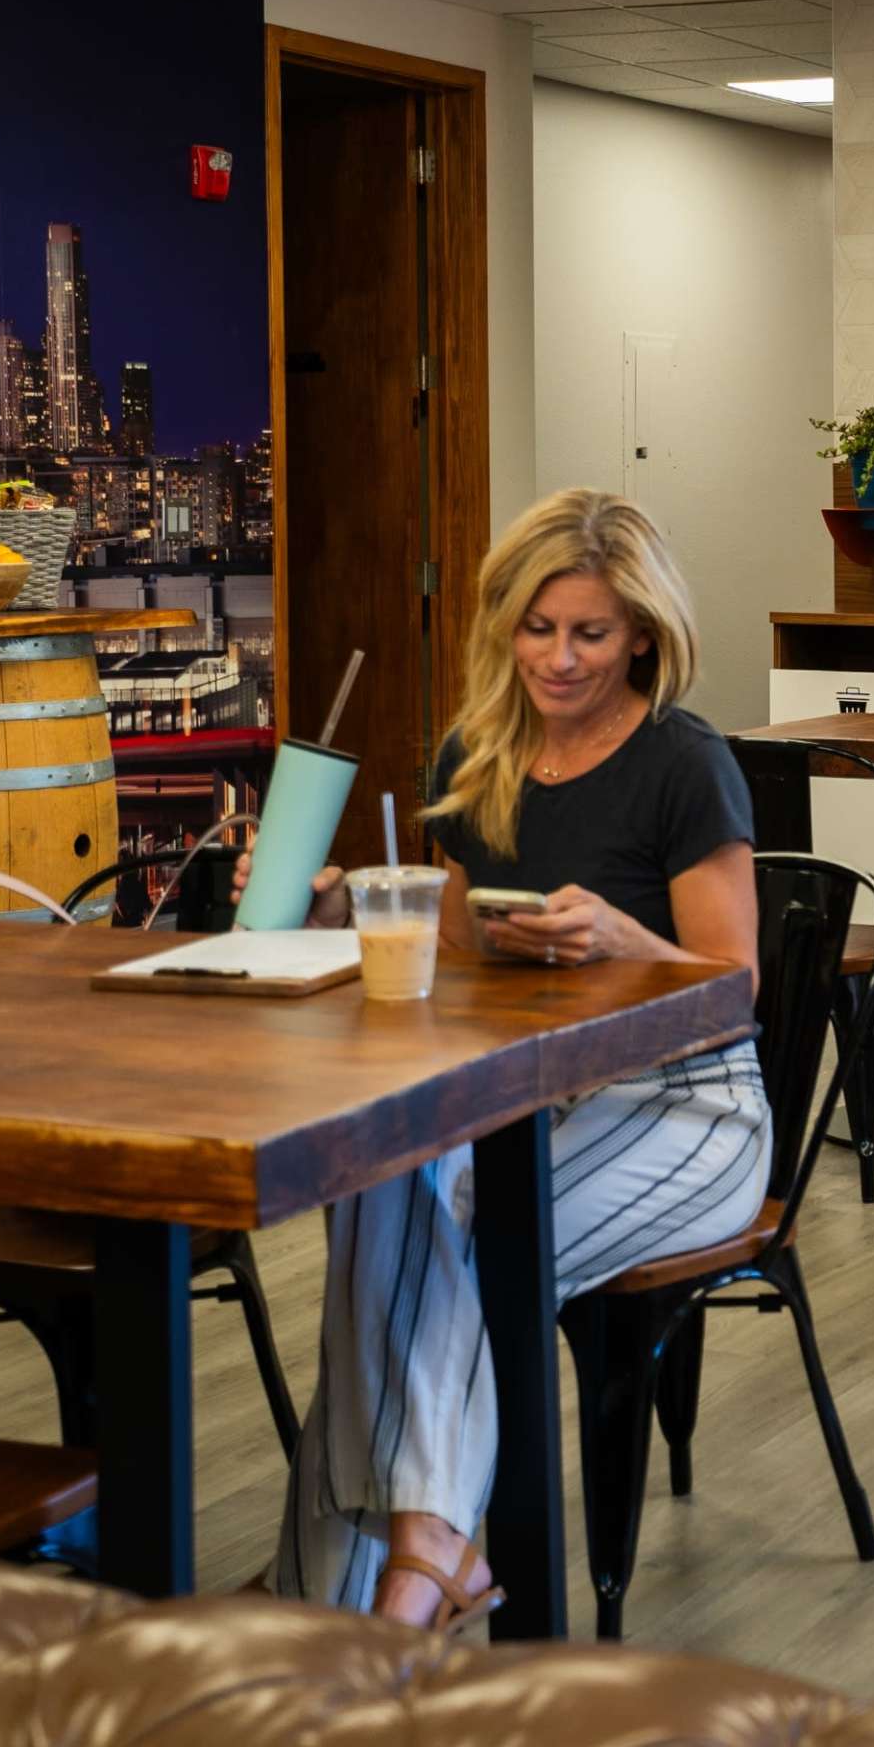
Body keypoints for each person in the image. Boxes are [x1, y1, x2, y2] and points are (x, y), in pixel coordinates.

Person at [245, 488, 768, 1629]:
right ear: (505, 627)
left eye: (589, 632)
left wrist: (628, 943)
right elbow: (456, 944)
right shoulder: (475, 757)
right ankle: (413, 1571)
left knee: (468, 1243)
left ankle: (345, 1584)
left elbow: (734, 990)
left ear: (642, 631)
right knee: (382, 1202)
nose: (562, 659)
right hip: (520, 1091)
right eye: (539, 630)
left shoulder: (685, 762)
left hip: (689, 1102)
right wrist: (355, 908)